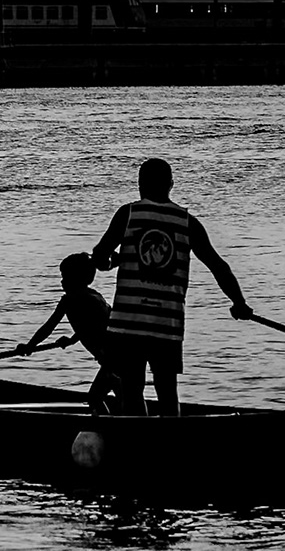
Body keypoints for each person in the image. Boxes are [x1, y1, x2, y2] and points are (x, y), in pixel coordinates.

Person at [90, 158, 254, 417]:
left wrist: (112, 262)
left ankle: (138, 445)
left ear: (140, 184)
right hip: (167, 325)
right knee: (167, 390)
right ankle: (170, 444)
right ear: (171, 185)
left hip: (128, 323)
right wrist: (239, 302)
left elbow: (99, 257)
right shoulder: (187, 222)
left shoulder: (128, 214)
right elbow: (217, 266)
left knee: (132, 389)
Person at [22, 253, 121, 411]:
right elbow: (90, 327)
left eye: (65, 276)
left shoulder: (77, 300)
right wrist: (71, 340)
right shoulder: (88, 297)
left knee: (95, 398)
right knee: (119, 397)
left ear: (78, 278)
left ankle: (108, 428)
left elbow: (49, 327)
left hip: (113, 359)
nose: (61, 281)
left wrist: (30, 346)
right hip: (114, 358)